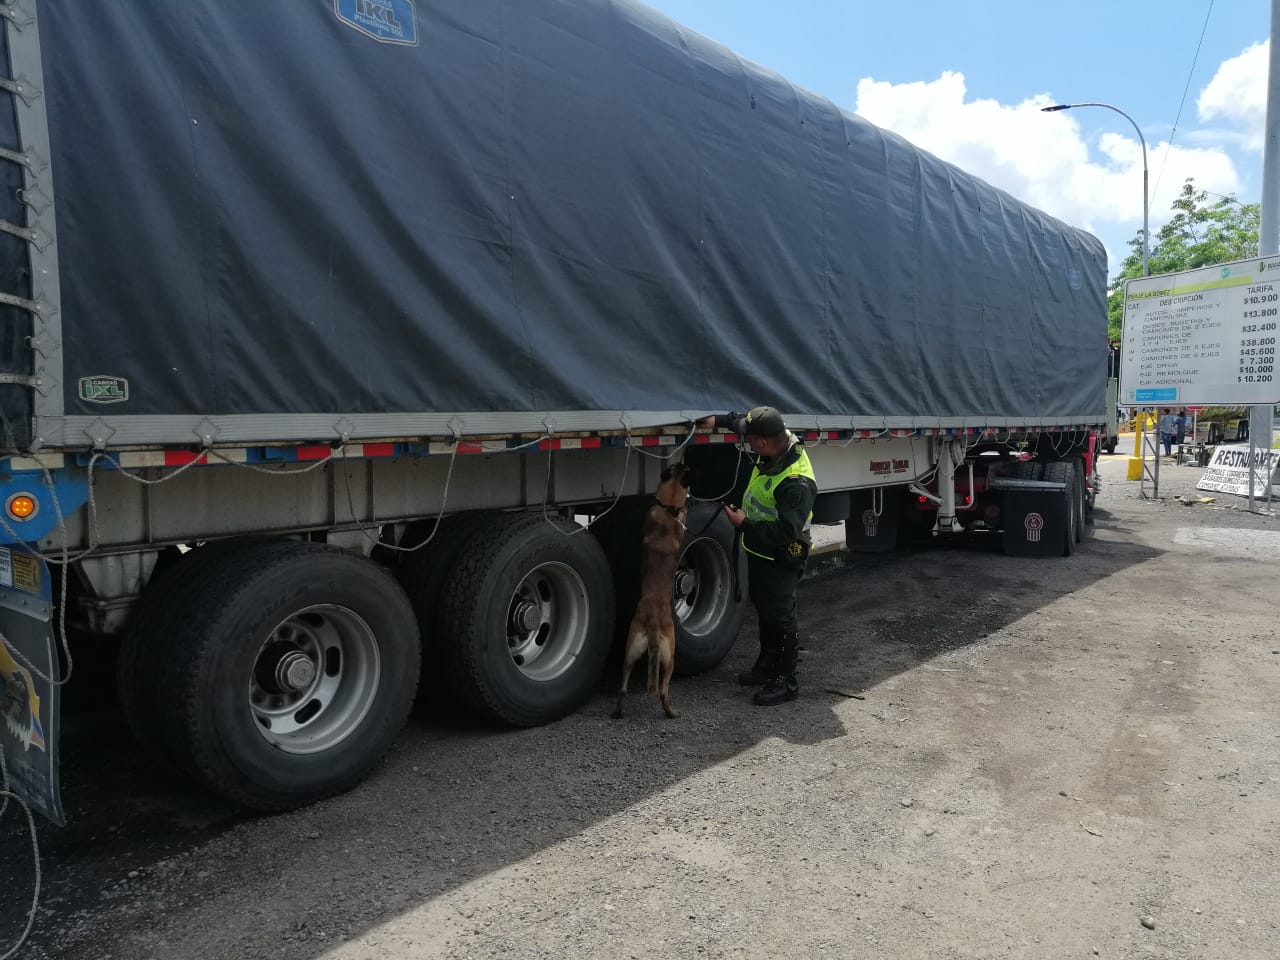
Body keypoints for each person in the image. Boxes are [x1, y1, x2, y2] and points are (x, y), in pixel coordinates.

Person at [697, 406, 817, 706]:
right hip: (761, 551)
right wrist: (720, 420)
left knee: (781, 616)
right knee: (765, 610)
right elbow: (741, 422)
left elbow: (786, 532)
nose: (747, 443)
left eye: (750, 440)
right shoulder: (774, 444)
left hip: (782, 554)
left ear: (763, 441)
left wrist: (744, 524)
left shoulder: (796, 483)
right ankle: (767, 665)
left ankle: (787, 681)